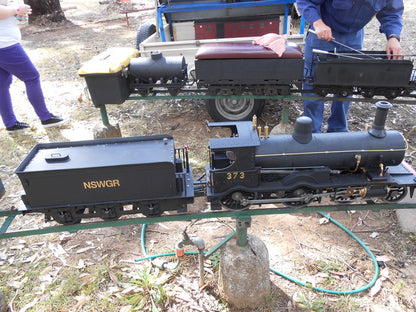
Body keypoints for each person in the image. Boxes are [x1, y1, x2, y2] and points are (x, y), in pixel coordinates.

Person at [296, 0, 403, 133]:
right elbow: (305, 1)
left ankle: (338, 130)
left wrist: (393, 37)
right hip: (322, 33)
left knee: (346, 85)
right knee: (313, 82)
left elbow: (392, 13)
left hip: (353, 37)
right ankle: (311, 131)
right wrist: (317, 22)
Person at [0, 0, 66, 132]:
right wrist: (16, 10)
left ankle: (11, 123)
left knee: (2, 86)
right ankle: (45, 117)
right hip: (6, 45)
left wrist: (15, 10)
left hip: (4, 43)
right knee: (31, 77)